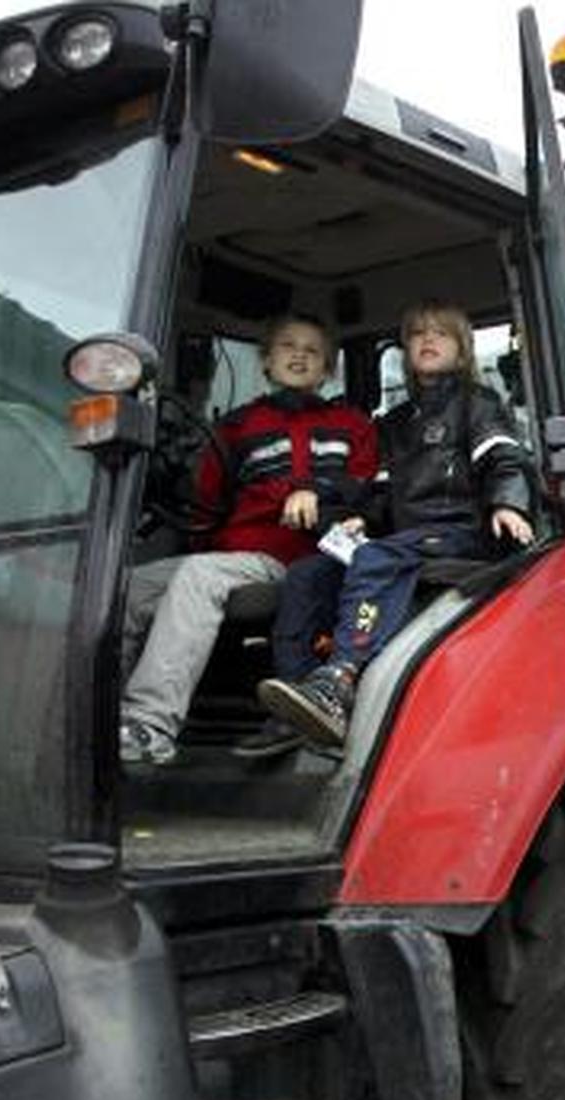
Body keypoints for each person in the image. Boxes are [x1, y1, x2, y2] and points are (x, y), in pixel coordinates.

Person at [257, 301, 534, 746]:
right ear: (405, 351)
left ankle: (340, 679)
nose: (427, 340)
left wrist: (509, 504)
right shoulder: (393, 423)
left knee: (375, 556)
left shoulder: (477, 405)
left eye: (440, 334)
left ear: (462, 352)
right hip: (405, 538)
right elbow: (381, 494)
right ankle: (297, 705)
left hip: (461, 531)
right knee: (307, 574)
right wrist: (350, 516)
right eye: (418, 334)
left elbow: (503, 456)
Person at [119, 314, 376, 764]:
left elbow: (366, 487)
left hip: (295, 559)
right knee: (125, 587)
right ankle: (98, 716)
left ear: (329, 369)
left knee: (201, 576)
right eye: (287, 346)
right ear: (266, 361)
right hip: (231, 557)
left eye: (312, 350)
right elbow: (207, 505)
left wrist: (318, 492)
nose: (299, 355)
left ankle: (149, 725)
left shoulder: (351, 425)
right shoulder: (237, 427)